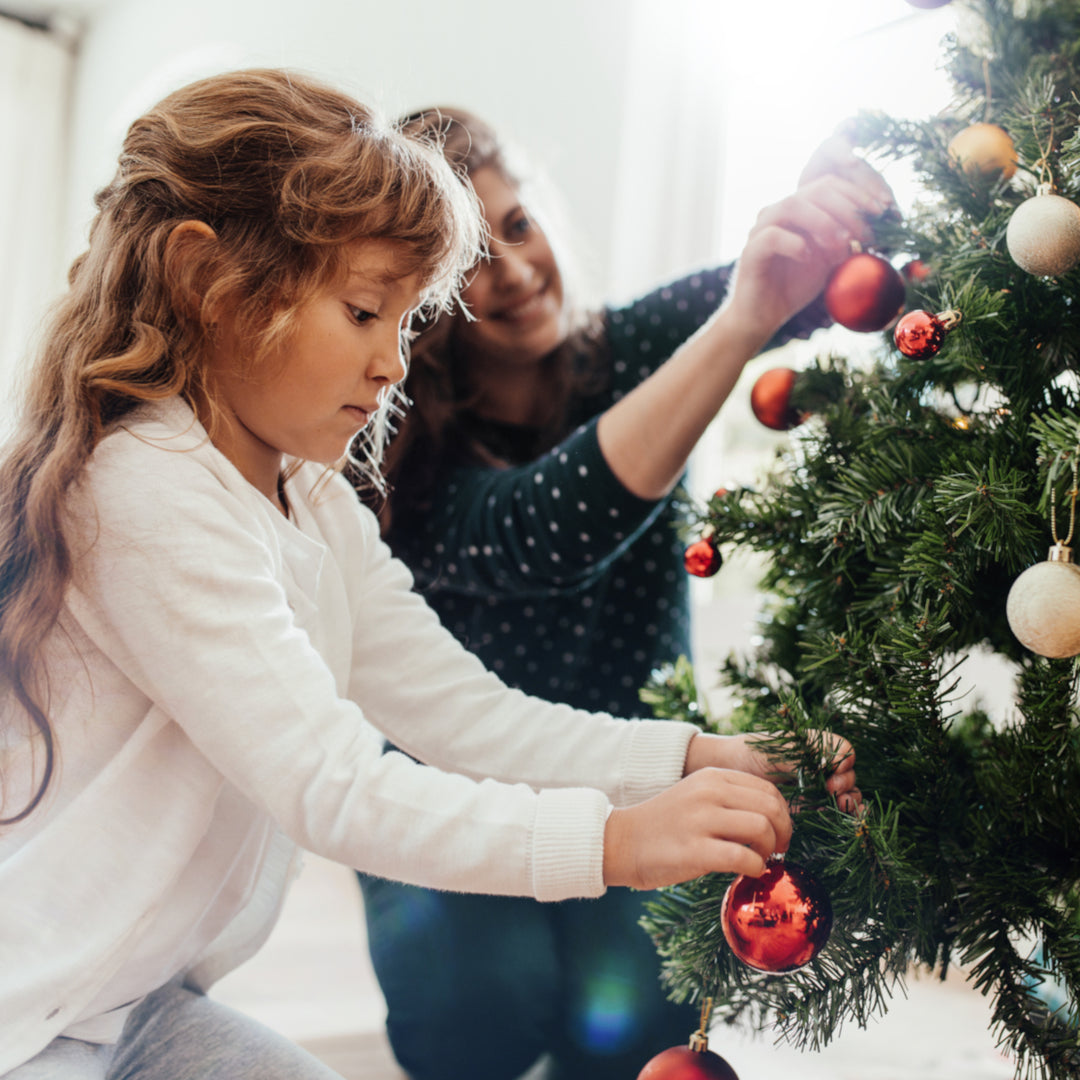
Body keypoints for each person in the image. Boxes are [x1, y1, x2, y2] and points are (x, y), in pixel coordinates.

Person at [0, 69, 860, 1080]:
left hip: (135, 1008)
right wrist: (618, 842)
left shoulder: (310, 498)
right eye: (366, 311)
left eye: (406, 324)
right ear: (209, 284)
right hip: (27, 1016)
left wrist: (703, 756)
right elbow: (334, 785)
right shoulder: (143, 486)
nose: (394, 363)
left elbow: (464, 715)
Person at [354, 107, 887, 1080]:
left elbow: (796, 287)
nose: (515, 270)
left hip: (642, 771)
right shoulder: (400, 458)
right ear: (416, 306)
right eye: (470, 261)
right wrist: (740, 322)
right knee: (477, 1012)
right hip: (462, 783)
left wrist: (824, 215)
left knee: (635, 1022)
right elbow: (546, 533)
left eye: (519, 226)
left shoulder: (629, 342)